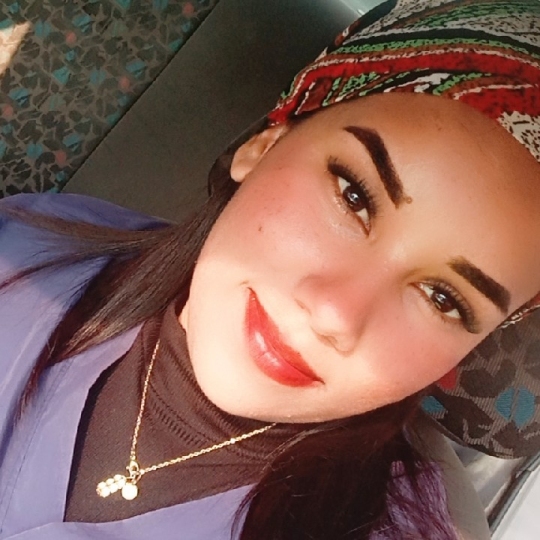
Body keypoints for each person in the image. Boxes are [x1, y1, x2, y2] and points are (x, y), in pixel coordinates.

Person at [0, 0, 539, 538]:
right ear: (264, 145)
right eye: (353, 196)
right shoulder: (28, 245)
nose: (334, 313)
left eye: (444, 298)